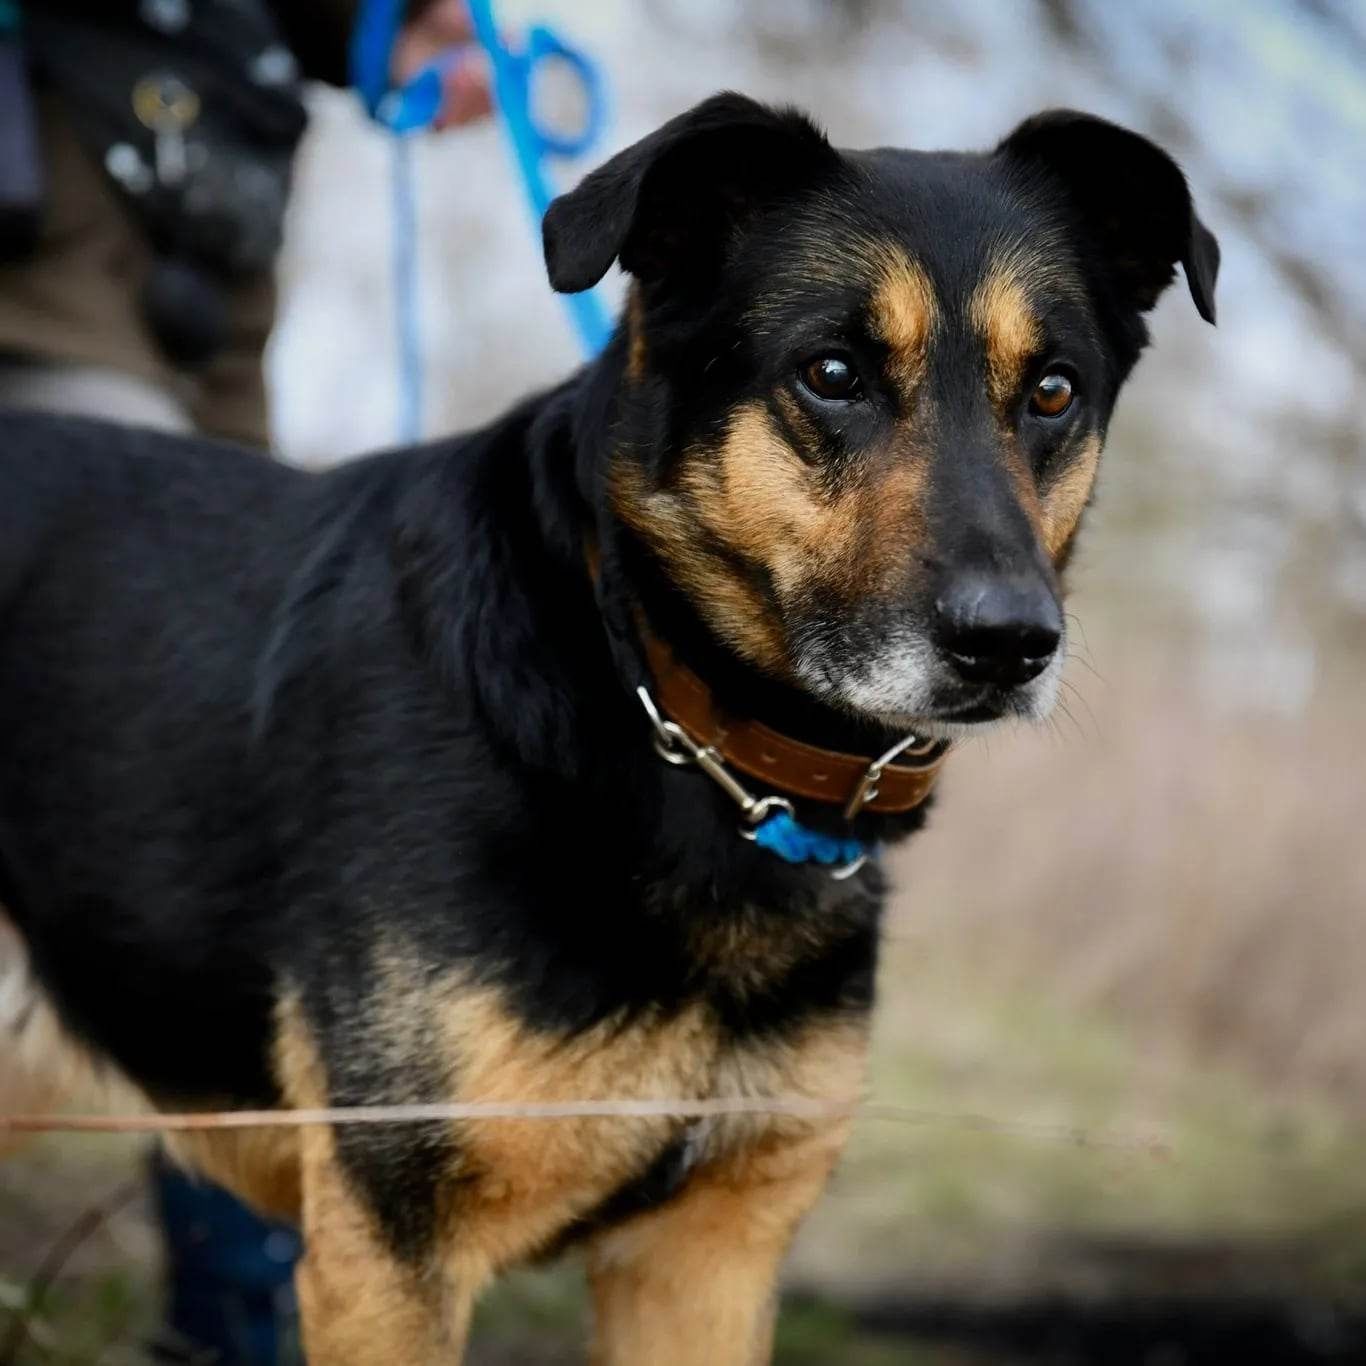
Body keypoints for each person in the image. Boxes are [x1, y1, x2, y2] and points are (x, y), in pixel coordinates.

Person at [0, 4, 491, 1361]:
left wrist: (394, 37)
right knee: (149, 731)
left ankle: (233, 1324)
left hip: (220, 238)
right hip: (51, 219)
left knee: (248, 779)